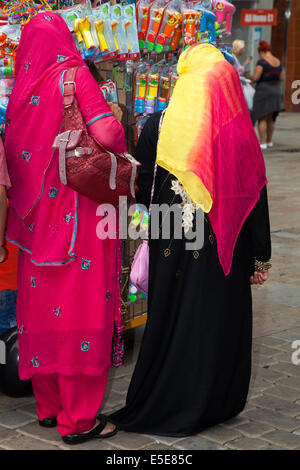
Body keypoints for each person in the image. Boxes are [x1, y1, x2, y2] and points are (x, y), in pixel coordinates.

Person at [109, 44, 271, 437]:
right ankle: (214, 400)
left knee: (169, 317)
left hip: (170, 243)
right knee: (215, 321)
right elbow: (252, 196)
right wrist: (260, 257)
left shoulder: (159, 126)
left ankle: (164, 395)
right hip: (222, 248)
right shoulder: (235, 130)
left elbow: (143, 187)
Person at [5, 12, 126, 444]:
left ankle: (49, 407)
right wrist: (119, 119)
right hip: (80, 217)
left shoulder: (21, 88)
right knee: (82, 305)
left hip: (36, 222)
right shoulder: (73, 75)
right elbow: (106, 133)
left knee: (42, 309)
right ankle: (79, 420)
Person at [251, 40, 284, 149]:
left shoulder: (262, 62)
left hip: (264, 91)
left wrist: (250, 80)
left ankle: (263, 142)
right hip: (276, 91)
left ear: (262, 51)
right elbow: (281, 78)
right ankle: (270, 141)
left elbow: (256, 78)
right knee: (271, 118)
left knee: (262, 117)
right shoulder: (278, 62)